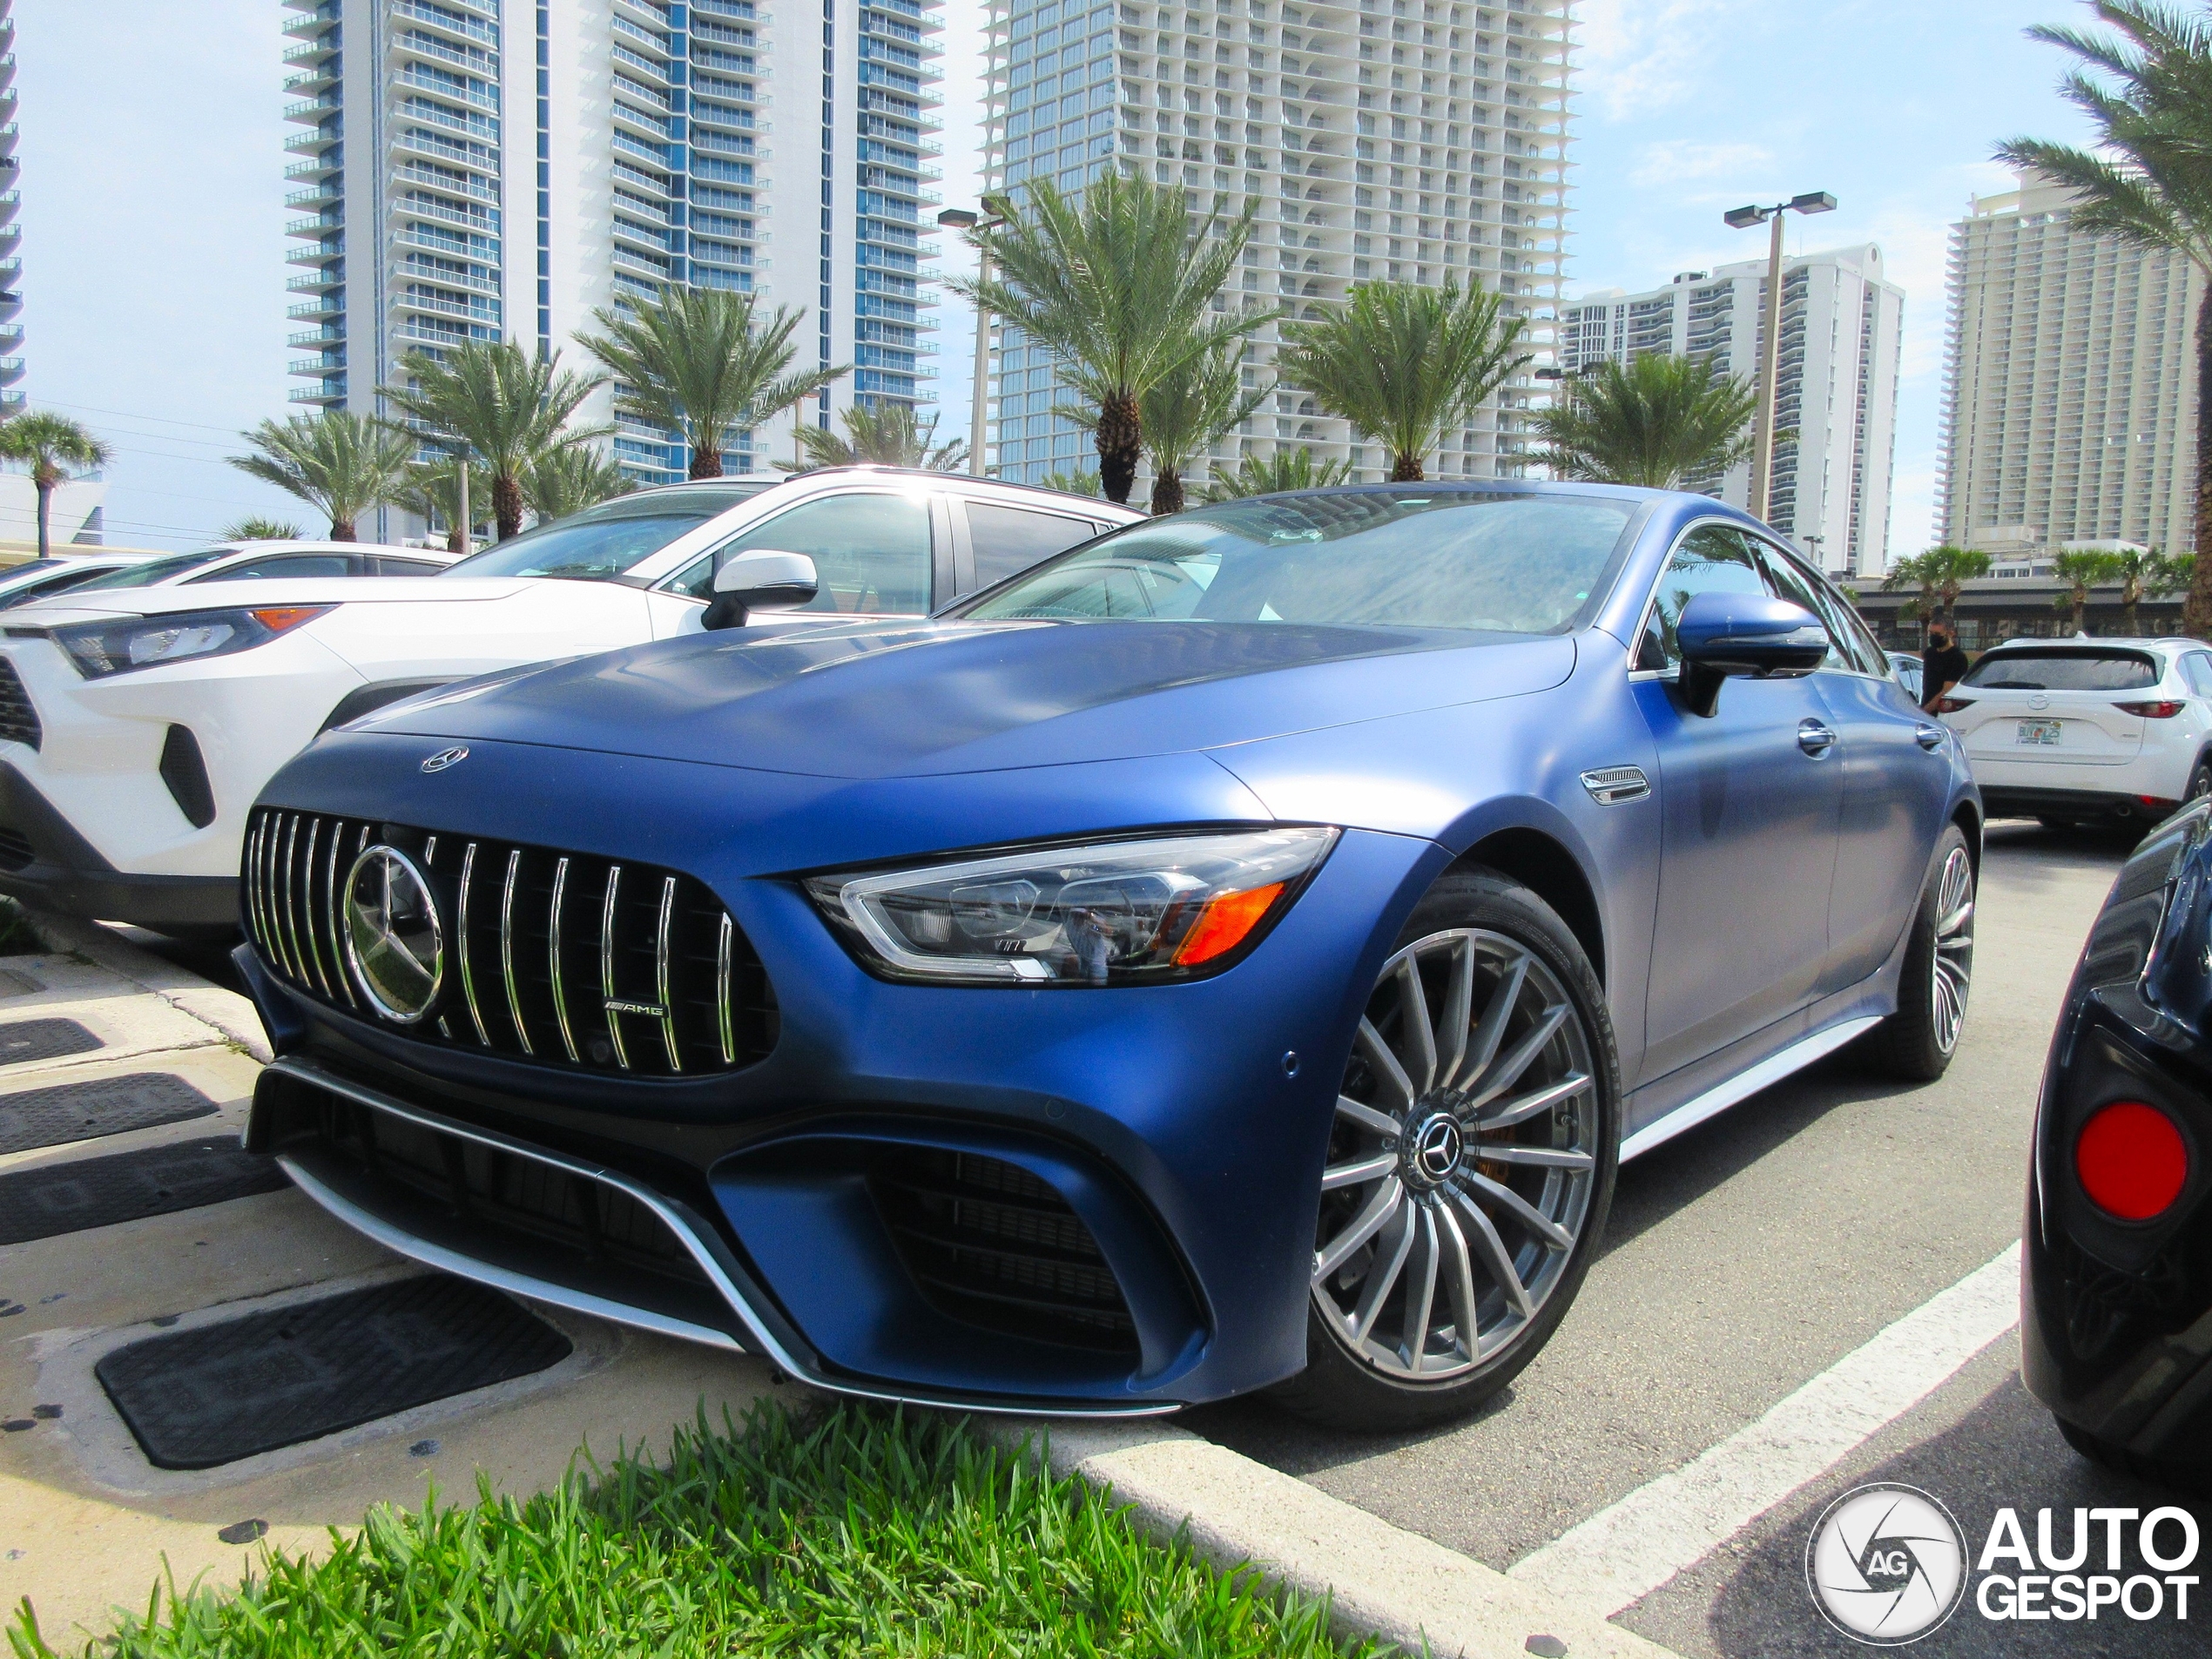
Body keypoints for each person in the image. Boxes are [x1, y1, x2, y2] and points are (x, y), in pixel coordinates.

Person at [1920, 618, 1969, 713]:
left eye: (1937, 634)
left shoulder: (1957, 657)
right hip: (1926, 707)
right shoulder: (1930, 653)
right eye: (1931, 633)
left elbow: (1947, 690)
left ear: (1950, 634)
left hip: (1944, 711)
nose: (1933, 637)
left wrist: (1925, 711)